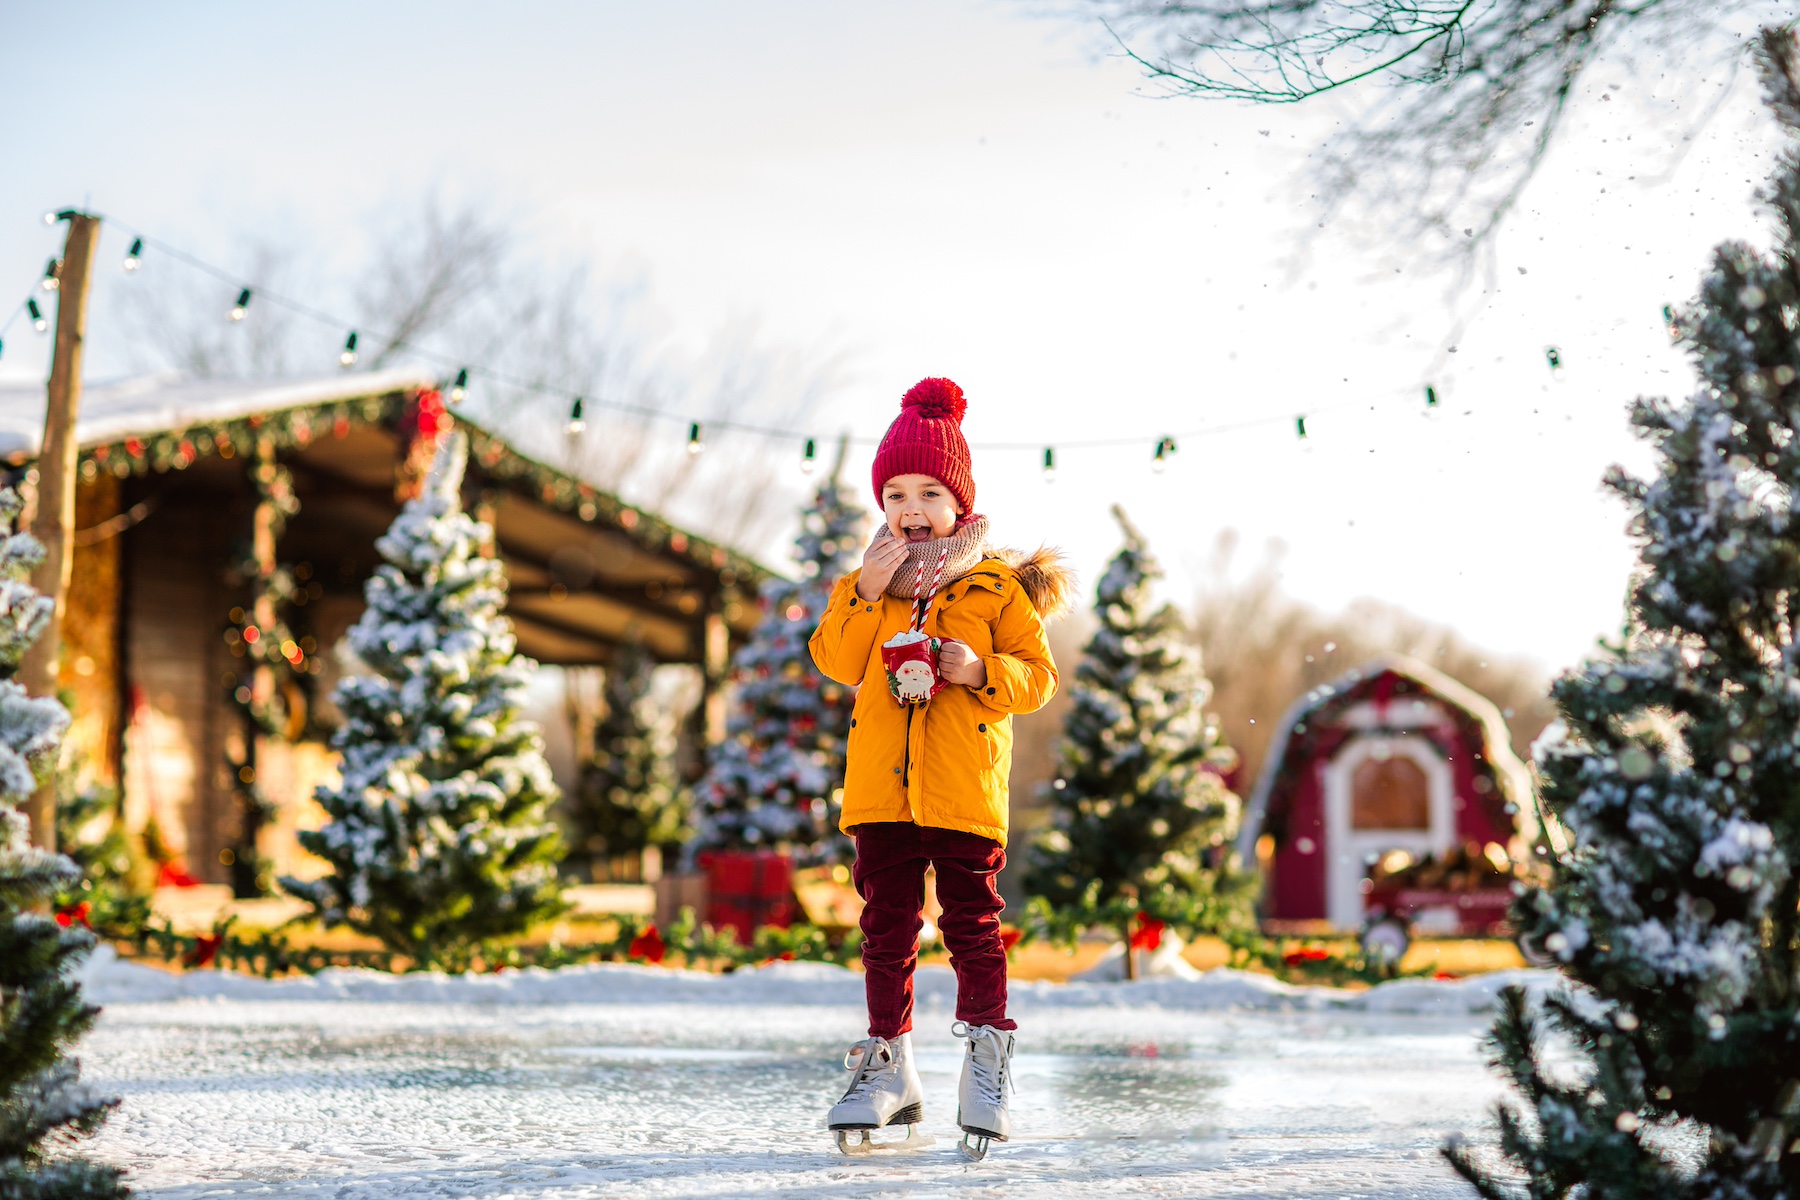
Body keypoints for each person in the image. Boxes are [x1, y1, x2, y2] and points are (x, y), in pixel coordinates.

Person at [809, 377, 1073, 1158]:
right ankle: (889, 1064)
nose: (911, 507)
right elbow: (835, 658)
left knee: (971, 928)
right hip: (880, 793)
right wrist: (865, 589)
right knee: (885, 929)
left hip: (963, 791)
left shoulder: (996, 588)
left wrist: (977, 666)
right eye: (895, 492)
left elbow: (1038, 678)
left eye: (929, 490)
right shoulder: (866, 584)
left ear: (959, 500)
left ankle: (986, 1060)